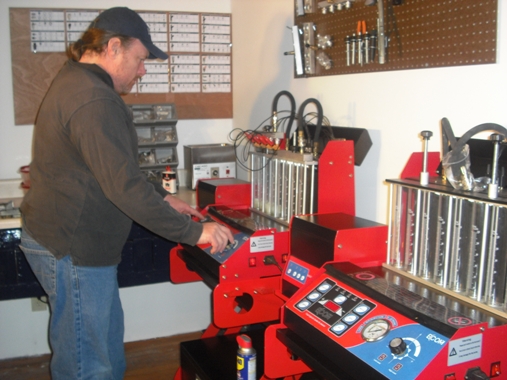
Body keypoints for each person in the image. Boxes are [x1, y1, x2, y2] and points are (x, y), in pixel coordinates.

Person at [19, 7, 234, 380]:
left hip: (72, 243)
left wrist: (164, 197)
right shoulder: (94, 99)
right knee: (89, 363)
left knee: (102, 348)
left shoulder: (79, 82)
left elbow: (113, 166)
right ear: (113, 47)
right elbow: (123, 186)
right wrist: (195, 232)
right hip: (74, 248)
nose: (142, 70)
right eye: (140, 59)